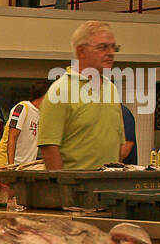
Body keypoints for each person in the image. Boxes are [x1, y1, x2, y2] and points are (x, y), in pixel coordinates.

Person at [37, 20, 125, 170]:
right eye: (103, 47)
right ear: (81, 51)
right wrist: (64, 190)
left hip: (106, 187)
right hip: (75, 189)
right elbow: (49, 147)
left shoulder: (111, 89)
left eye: (113, 47)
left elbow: (118, 143)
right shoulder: (60, 91)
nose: (111, 53)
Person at [0, 82, 48, 166]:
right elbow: (12, 136)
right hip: (5, 165)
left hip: (25, 166)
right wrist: (11, 166)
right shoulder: (23, 107)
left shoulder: (42, 113)